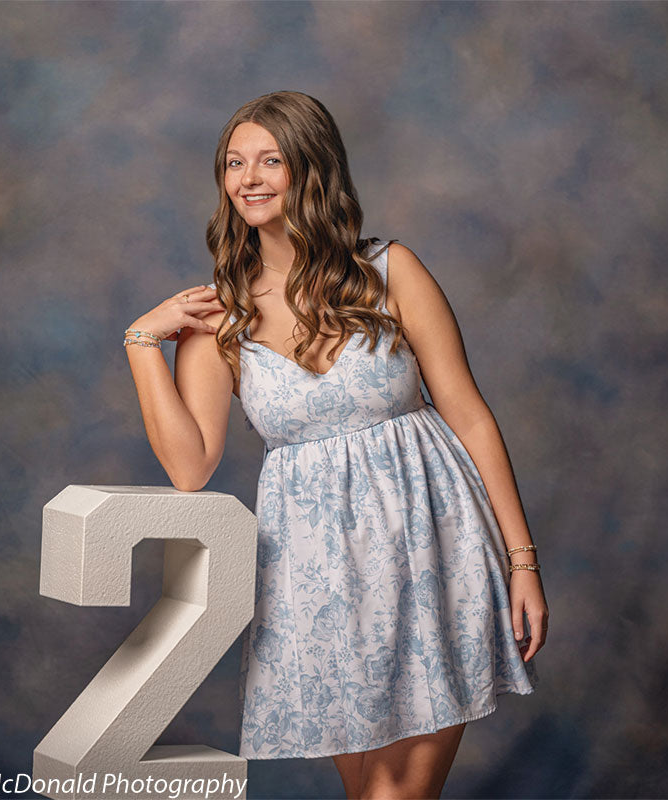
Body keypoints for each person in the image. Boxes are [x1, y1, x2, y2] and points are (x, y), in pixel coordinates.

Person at [124, 90, 549, 800]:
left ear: (311, 170)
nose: (249, 178)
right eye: (234, 163)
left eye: (271, 160)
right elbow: (190, 467)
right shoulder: (217, 319)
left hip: (431, 551)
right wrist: (142, 343)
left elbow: (470, 415)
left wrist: (522, 560)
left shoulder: (391, 272)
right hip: (315, 585)